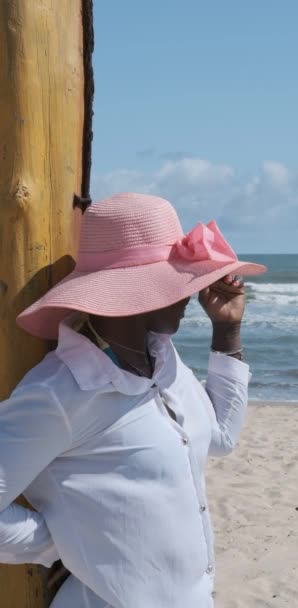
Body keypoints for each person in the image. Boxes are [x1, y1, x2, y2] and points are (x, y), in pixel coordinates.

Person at [0, 192, 266, 607]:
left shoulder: (162, 359)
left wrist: (227, 331)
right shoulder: (59, 392)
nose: (188, 296)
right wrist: (64, 542)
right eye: (177, 281)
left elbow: (220, 437)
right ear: (135, 292)